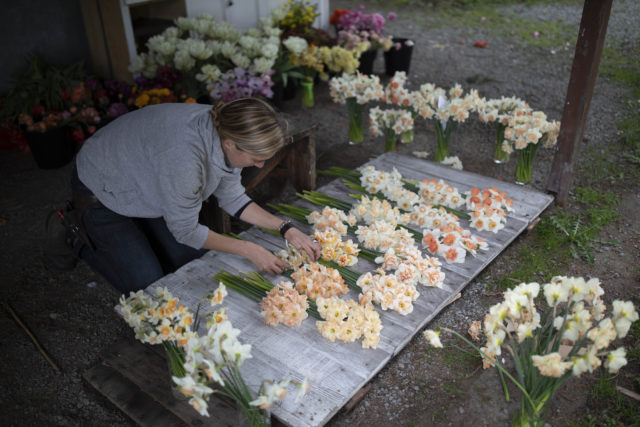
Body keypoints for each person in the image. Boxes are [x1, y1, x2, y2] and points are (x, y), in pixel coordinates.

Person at [70, 98, 320, 294]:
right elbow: (186, 231)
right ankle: (77, 239)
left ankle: (142, 228)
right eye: (257, 159)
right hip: (105, 185)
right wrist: (248, 249)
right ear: (231, 144)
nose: (259, 166)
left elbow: (233, 197)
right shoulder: (185, 160)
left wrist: (286, 228)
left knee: (191, 263)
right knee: (149, 285)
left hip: (148, 177)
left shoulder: (229, 126)